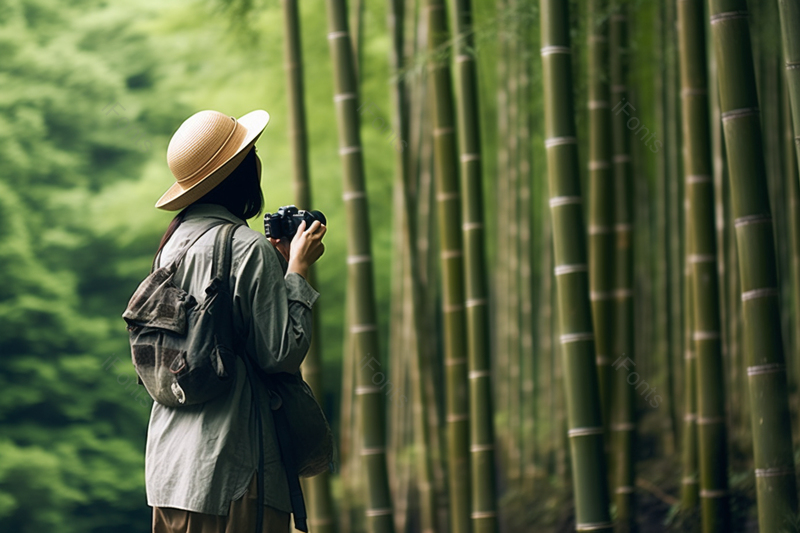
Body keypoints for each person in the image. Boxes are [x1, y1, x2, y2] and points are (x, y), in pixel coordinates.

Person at [145, 109, 326, 533]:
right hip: (234, 471)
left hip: (169, 471)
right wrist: (296, 273)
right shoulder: (247, 248)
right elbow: (280, 353)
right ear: (243, 173)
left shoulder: (170, 247)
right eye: (253, 153)